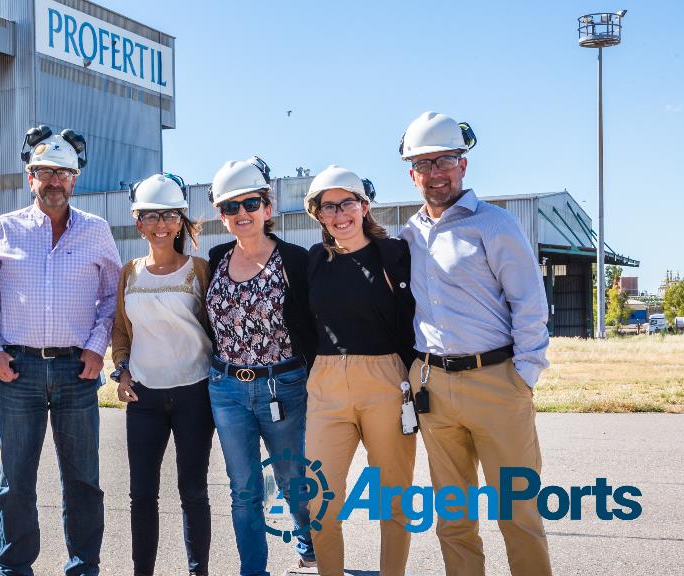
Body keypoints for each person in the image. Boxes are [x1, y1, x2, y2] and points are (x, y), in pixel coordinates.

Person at [398, 111, 552, 575]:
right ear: (412, 174)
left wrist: (523, 376)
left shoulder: (495, 225)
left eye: (444, 160)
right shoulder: (410, 234)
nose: (434, 172)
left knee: (518, 512)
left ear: (463, 164)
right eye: (423, 164)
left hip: (497, 383)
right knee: (454, 517)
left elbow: (530, 303)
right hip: (434, 390)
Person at [0, 125, 122, 576]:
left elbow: (112, 296)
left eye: (62, 173)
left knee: (82, 480)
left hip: (77, 372)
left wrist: (97, 349)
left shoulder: (96, 231)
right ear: (30, 177)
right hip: (19, 371)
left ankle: (83, 567)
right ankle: (15, 568)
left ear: (74, 179)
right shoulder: (6, 228)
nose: (53, 181)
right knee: (15, 481)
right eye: (44, 172)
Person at [204, 156, 317, 576]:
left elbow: (314, 322)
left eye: (249, 204)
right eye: (230, 207)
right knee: (244, 489)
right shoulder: (215, 258)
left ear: (267, 209)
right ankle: (253, 570)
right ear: (221, 216)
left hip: (282, 386)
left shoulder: (295, 260)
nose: (241, 214)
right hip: (227, 388)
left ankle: (310, 550)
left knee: (292, 479)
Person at [302, 166, 417, 576]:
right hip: (326, 383)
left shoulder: (394, 254)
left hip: (385, 379)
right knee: (320, 500)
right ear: (318, 215)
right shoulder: (314, 260)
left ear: (364, 207)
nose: (338, 214)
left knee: (393, 497)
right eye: (327, 207)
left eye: (346, 203)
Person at [110, 173, 214, 576]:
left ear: (181, 220)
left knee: (193, 491)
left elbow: (216, 327)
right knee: (142, 495)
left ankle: (197, 571)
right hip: (145, 398)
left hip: (194, 394)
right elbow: (120, 329)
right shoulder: (128, 273)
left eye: (169, 215)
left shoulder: (200, 270)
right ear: (138, 223)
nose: (160, 225)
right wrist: (121, 373)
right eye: (150, 217)